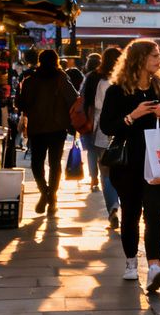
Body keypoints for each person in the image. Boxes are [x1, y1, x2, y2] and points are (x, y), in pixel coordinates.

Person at [99, 38, 160, 293]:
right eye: (154, 56)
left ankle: (155, 267)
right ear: (139, 59)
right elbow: (107, 126)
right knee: (131, 214)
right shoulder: (117, 91)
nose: (159, 60)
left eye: (159, 55)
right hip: (128, 162)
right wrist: (132, 116)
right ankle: (131, 262)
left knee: (155, 213)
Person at [16, 49, 78, 215]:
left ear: (40, 60)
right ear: (56, 60)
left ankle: (44, 191)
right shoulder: (61, 78)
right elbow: (73, 98)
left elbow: (21, 104)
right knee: (55, 163)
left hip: (36, 127)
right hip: (58, 127)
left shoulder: (30, 80)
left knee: (36, 162)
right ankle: (52, 197)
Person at [81, 47, 123, 228]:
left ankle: (113, 208)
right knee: (124, 172)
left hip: (103, 133)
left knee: (106, 174)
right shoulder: (128, 82)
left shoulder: (102, 83)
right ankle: (126, 206)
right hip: (124, 133)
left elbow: (97, 107)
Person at [77, 53, 103, 191]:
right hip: (103, 117)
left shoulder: (87, 78)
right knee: (103, 150)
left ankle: (93, 178)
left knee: (91, 151)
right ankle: (105, 177)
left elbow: (81, 97)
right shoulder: (105, 77)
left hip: (89, 118)